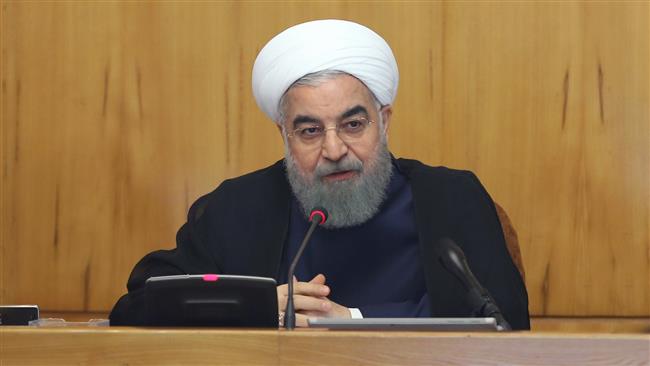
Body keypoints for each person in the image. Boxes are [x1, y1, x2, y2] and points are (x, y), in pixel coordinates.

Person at [109, 19, 530, 329]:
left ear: (383, 121)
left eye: (353, 124)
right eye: (309, 130)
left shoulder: (451, 197)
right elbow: (135, 307)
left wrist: (351, 320)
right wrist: (247, 305)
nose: (333, 150)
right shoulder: (239, 206)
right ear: (284, 134)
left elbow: (505, 320)